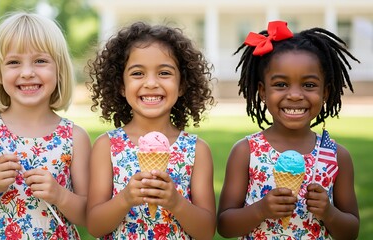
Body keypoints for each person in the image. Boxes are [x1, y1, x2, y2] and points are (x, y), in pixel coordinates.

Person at [0, 12, 91, 239]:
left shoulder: (75, 137)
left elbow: (90, 217)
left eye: (40, 61)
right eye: (14, 62)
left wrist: (59, 195)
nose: (27, 72)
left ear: (59, 69)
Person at [217, 20, 360, 239]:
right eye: (281, 84)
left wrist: (329, 213)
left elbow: (351, 232)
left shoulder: (336, 156)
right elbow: (225, 226)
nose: (294, 95)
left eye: (309, 85)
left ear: (326, 92)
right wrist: (260, 209)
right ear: (263, 92)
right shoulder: (246, 151)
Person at [85, 21, 216, 239]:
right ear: (121, 85)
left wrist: (176, 202)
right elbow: (95, 226)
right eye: (138, 74)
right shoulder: (106, 146)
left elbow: (207, 231)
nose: (151, 83)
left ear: (182, 84)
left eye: (164, 73)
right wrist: (125, 198)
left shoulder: (197, 150)